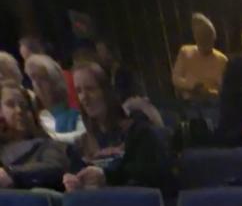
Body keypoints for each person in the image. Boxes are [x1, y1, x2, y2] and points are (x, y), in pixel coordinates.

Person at [64, 62, 171, 193]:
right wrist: (74, 184)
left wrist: (106, 178)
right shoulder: (81, 145)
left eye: (90, 89)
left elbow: (149, 180)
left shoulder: (139, 133)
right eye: (79, 91)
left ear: (107, 92)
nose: (84, 98)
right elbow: (76, 178)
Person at [0, 83, 71, 190]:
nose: (19, 110)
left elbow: (54, 169)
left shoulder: (47, 146)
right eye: (10, 105)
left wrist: (11, 173)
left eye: (24, 106)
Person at [23, 53, 84, 142]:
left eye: (42, 78)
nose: (38, 84)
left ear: (55, 81)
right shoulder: (36, 118)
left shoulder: (74, 118)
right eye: (33, 79)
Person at [171, 12, 227, 103]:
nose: (206, 44)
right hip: (188, 103)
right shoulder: (185, 52)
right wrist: (192, 86)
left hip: (212, 104)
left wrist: (209, 92)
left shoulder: (221, 59)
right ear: (196, 39)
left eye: (209, 39)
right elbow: (176, 79)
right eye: (202, 40)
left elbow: (224, 88)